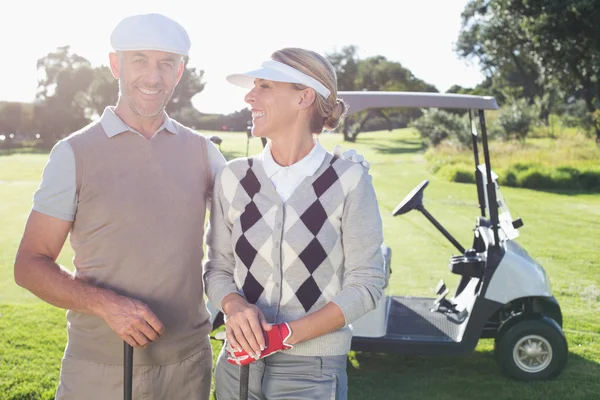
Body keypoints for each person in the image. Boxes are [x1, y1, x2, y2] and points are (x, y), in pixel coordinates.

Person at [13, 13, 225, 399]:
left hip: (189, 368)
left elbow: (250, 228)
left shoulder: (203, 152)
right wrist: (106, 304)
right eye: (139, 60)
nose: (153, 76)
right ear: (115, 65)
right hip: (99, 370)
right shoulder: (73, 154)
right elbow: (29, 264)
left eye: (166, 64)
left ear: (180, 72)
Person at [203, 48, 386, 400]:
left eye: (265, 86)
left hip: (312, 372)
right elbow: (218, 268)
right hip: (238, 366)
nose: (249, 96)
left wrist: (285, 335)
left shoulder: (348, 180)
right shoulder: (233, 177)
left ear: (304, 97)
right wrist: (234, 307)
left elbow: (367, 284)